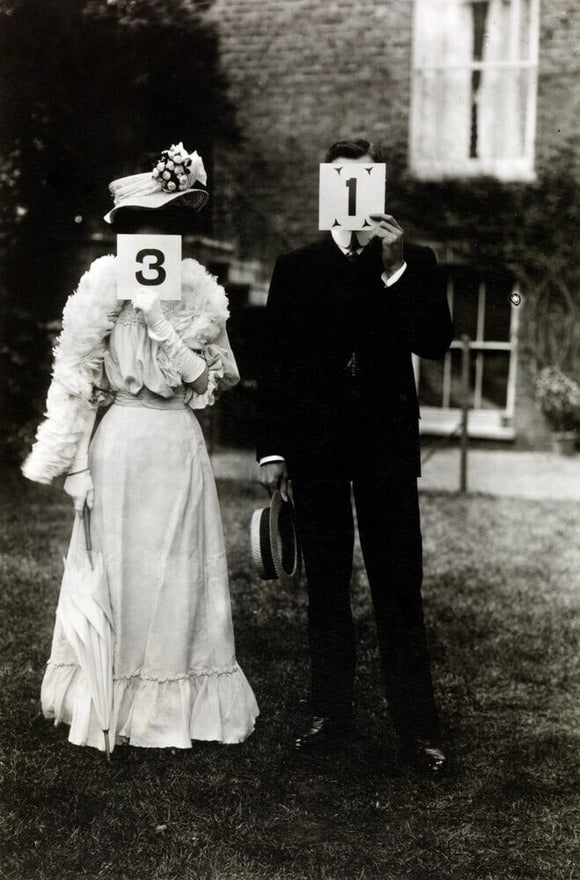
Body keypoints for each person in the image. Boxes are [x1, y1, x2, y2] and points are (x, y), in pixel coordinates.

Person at [23, 142, 258, 751]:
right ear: (126, 232)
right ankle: (109, 695)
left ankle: (174, 698)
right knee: (118, 565)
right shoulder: (102, 282)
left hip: (175, 440)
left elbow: (211, 382)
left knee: (177, 569)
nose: (155, 236)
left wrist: (159, 322)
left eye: (168, 224)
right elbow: (74, 376)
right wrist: (74, 464)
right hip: (120, 440)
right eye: (143, 226)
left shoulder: (200, 292)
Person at [257, 138, 453, 773]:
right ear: (327, 187)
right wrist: (272, 451)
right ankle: (330, 715)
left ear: (376, 187)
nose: (351, 191)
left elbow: (434, 342)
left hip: (385, 448)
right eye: (340, 179)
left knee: (398, 587)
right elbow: (277, 365)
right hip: (316, 447)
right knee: (327, 587)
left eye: (361, 179)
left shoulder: (411, 260)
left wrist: (394, 271)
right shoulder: (297, 266)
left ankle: (417, 729)